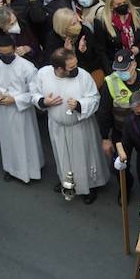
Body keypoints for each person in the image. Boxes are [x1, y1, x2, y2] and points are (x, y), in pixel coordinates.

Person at [32, 47, 109, 203]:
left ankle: (89, 186)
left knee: (85, 158)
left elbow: (94, 98)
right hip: (57, 126)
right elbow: (34, 91)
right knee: (62, 156)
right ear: (59, 68)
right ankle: (65, 180)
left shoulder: (83, 77)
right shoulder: (43, 74)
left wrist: (80, 105)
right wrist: (43, 101)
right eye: (71, 67)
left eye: (76, 64)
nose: (76, 69)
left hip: (80, 127)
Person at [0, 39, 45, 183]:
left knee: (25, 140)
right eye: (1, 54)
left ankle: (32, 169)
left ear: (15, 49)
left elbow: (35, 93)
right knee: (7, 140)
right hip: (1, 110)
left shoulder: (27, 67)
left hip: (21, 112)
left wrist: (16, 100)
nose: (5, 58)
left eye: (8, 54)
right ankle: (11, 168)